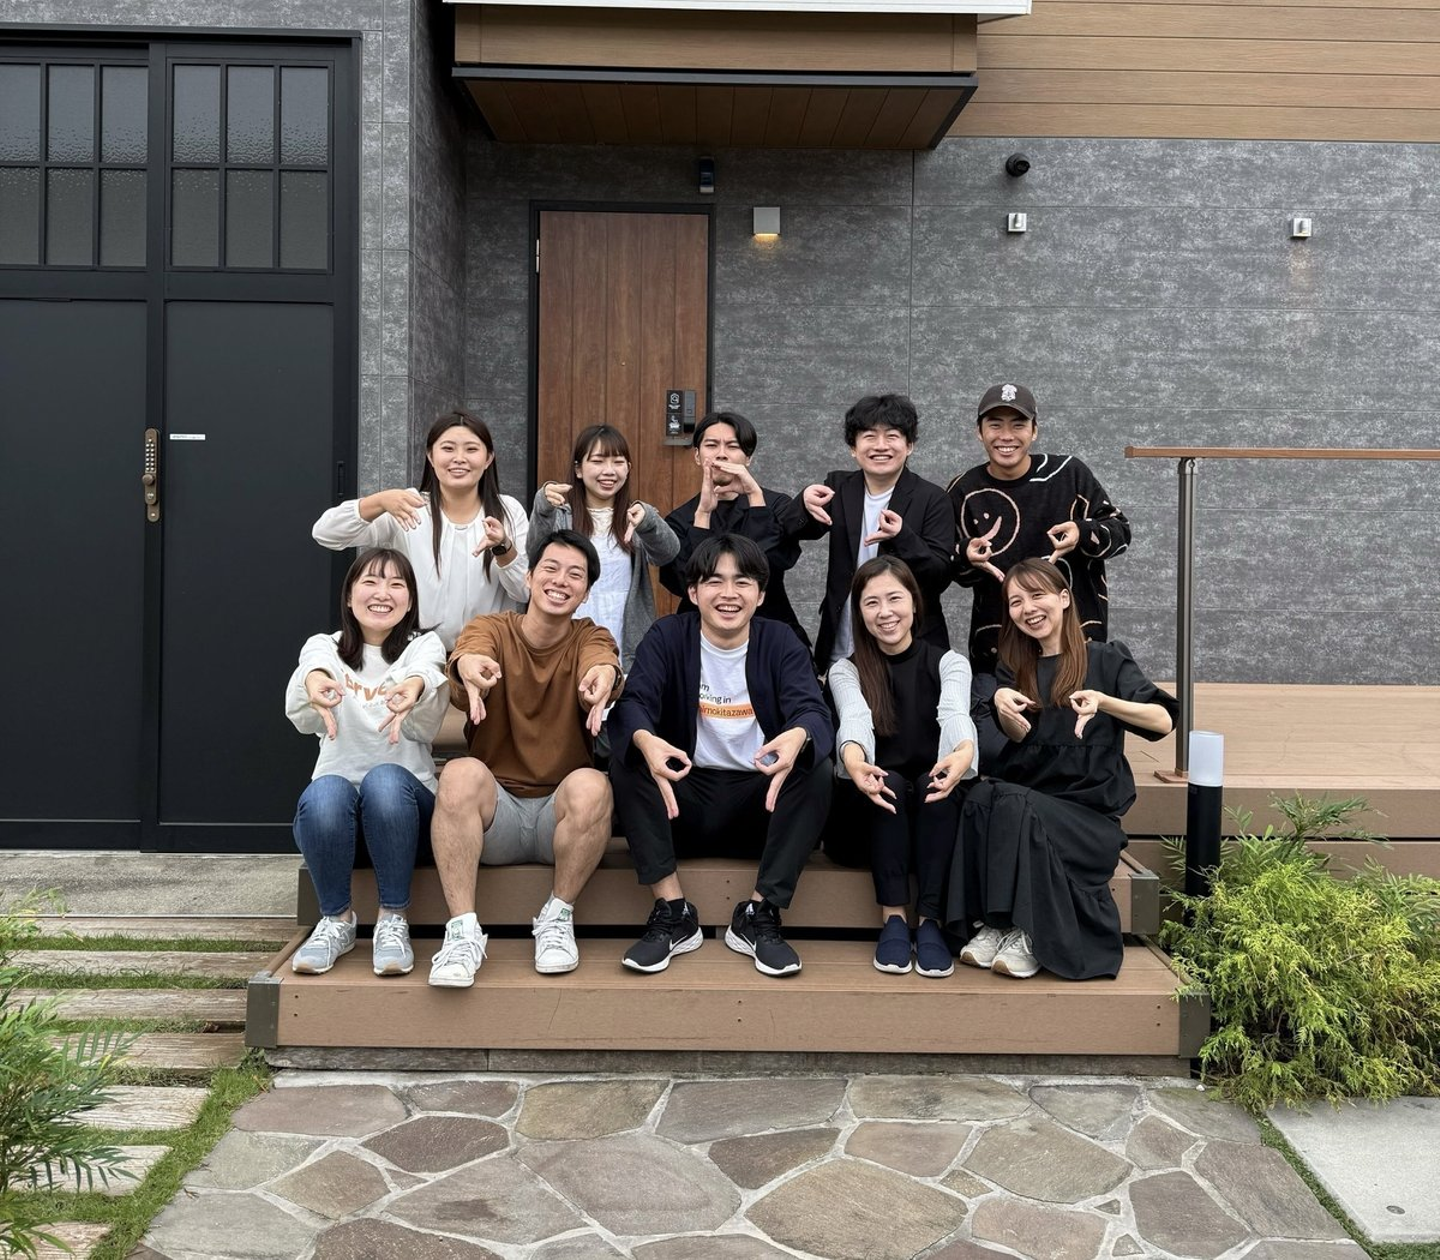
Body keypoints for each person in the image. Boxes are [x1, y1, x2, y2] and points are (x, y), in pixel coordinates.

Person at [608, 534, 834, 977]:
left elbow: (813, 709)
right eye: (715, 581)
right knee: (631, 754)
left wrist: (798, 735)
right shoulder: (669, 636)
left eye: (742, 581)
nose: (729, 593)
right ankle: (673, 911)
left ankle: (759, 913)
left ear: (761, 594)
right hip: (682, 803)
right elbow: (634, 702)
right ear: (693, 592)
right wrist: (646, 740)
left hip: (759, 804)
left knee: (815, 765)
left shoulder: (780, 640)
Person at [947, 558, 1176, 981]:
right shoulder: (1014, 669)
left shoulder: (1106, 659)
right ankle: (996, 923)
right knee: (980, 795)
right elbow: (1015, 744)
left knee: (1012, 800)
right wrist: (1000, 705)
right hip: (1029, 808)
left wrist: (1104, 702)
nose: (1028, 608)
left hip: (1086, 821)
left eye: (1037, 595)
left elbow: (1163, 721)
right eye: (1016, 601)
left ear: (1065, 598)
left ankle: (1029, 932)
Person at [427, 530, 622, 987]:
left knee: (594, 784)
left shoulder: (589, 636)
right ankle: (462, 933)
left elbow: (602, 659)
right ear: (529, 578)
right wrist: (469, 667)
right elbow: (471, 651)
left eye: (575, 575)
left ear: (586, 592)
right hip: (497, 816)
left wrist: (604, 675)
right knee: (458, 772)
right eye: (550, 569)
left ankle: (557, 918)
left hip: (561, 819)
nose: (560, 581)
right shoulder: (493, 628)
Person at [285, 547, 448, 977]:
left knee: (385, 781)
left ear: (410, 601)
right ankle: (337, 921)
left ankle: (393, 919)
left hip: (407, 823)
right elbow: (307, 690)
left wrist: (414, 686)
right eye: (370, 582)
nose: (382, 593)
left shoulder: (422, 646)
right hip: (336, 827)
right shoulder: (324, 648)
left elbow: (428, 674)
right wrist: (315, 681)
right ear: (349, 594)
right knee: (326, 789)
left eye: (396, 584)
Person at [827, 556, 978, 977]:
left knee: (937, 782)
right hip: (870, 815)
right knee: (887, 780)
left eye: (894, 598)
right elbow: (854, 718)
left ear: (914, 601)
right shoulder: (845, 670)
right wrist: (855, 762)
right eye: (871, 602)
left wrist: (964, 751)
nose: (885, 612)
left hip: (932, 815)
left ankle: (929, 921)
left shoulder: (949, 662)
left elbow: (954, 713)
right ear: (859, 612)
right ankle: (893, 917)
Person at [948, 383, 1131, 671]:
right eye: (995, 425)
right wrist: (965, 555)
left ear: (1034, 430)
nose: (1006, 436)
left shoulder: (1068, 474)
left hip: (1076, 642)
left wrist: (1082, 533)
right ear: (979, 432)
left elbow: (1120, 532)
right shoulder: (964, 490)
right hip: (999, 650)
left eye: (1018, 425)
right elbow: (951, 565)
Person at [313, 411, 529, 650]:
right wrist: (379, 501)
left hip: (487, 653)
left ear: (488, 458)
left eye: (471, 449)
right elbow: (326, 533)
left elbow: (523, 591)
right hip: (414, 655)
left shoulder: (508, 511)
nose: (459, 458)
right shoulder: (408, 506)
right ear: (430, 456)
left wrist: (503, 548)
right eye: (448, 449)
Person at [779, 393, 954, 672]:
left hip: (911, 644)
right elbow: (791, 530)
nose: (880, 446)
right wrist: (802, 503)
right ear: (853, 447)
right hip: (845, 639)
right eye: (869, 436)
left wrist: (903, 537)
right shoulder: (839, 487)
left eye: (892, 436)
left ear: (909, 445)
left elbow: (940, 576)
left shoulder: (932, 498)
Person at [528, 423, 679, 672]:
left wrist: (649, 522)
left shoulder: (636, 516)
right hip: (569, 627)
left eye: (618, 462)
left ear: (628, 468)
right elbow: (534, 552)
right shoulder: (560, 515)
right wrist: (542, 509)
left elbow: (668, 553)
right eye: (597, 461)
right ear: (578, 469)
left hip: (623, 632)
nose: (609, 471)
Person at [660, 410, 809, 647]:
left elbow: (776, 562)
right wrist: (703, 516)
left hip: (772, 631)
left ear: (748, 457)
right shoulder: (680, 519)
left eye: (732, 446)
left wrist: (755, 497)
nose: (721, 454)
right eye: (711, 445)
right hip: (700, 637)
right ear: (697, 455)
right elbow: (683, 583)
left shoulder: (776, 505)